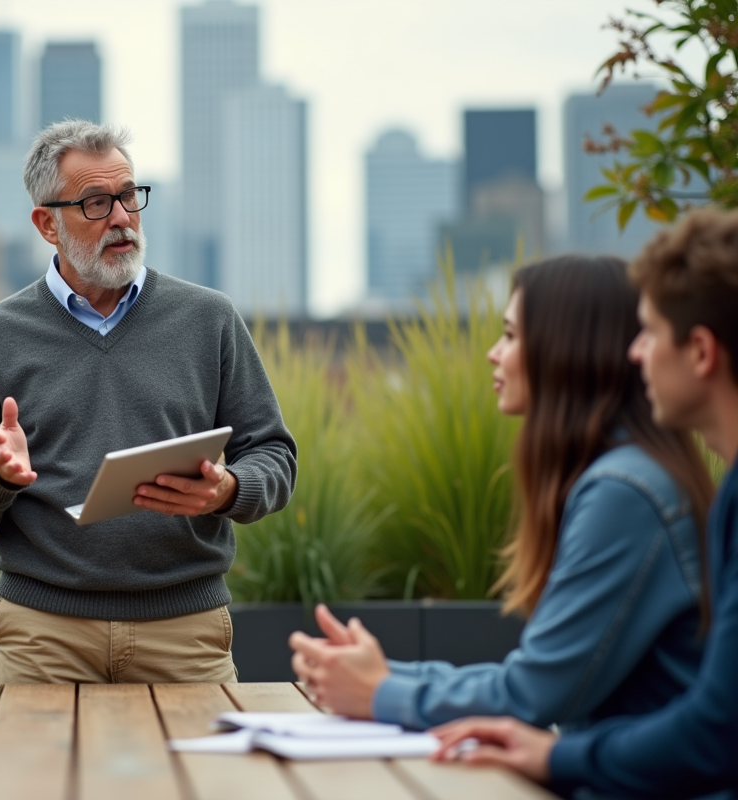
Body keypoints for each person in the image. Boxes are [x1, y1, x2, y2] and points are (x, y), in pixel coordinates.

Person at [0, 119, 297, 684]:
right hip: (43, 637)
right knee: (39, 778)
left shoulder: (209, 319)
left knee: (201, 778)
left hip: (185, 632)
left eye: (128, 196)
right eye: (96, 203)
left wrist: (229, 489)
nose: (122, 217)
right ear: (46, 224)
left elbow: (274, 456)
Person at [289, 255, 715, 734]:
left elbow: (531, 695)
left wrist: (381, 692)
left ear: (567, 349)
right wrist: (380, 675)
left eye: (511, 335)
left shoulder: (624, 493)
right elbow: (535, 677)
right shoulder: (628, 475)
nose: (494, 353)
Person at [431, 208, 738, 798]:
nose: (635, 353)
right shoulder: (704, 491)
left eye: (649, 333)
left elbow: (713, 731)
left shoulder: (628, 490)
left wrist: (559, 756)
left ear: (699, 352)